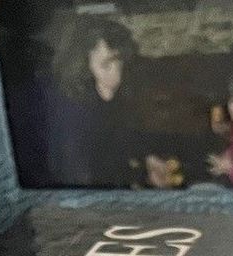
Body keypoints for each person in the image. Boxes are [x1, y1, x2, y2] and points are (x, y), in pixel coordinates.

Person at [37, 12, 180, 189]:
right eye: (106, 65)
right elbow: (83, 182)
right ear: (81, 66)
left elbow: (122, 142)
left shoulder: (112, 98)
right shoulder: (70, 115)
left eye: (119, 63)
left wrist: (147, 162)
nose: (117, 76)